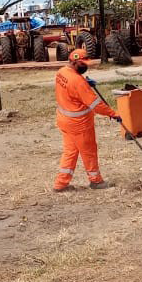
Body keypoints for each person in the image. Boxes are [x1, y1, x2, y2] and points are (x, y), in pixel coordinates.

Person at [52, 48, 122, 192]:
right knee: (89, 151)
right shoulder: (77, 81)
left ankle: (60, 184)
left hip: (64, 120)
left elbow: (71, 89)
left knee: (70, 152)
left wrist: (84, 83)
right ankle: (96, 181)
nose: (86, 66)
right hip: (79, 124)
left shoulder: (62, 72)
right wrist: (113, 113)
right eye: (83, 64)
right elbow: (96, 105)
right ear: (75, 62)